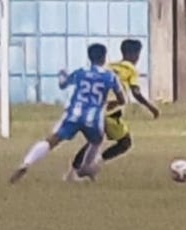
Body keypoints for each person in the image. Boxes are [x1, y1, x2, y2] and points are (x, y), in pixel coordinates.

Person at [10, 43, 122, 184]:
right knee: (97, 140)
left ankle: (26, 163)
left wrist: (62, 75)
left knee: (51, 140)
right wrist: (111, 103)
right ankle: (86, 166)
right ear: (104, 57)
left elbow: (63, 85)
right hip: (93, 117)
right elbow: (122, 99)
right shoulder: (110, 77)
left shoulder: (80, 72)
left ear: (89, 57)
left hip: (73, 113)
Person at [66, 39, 160, 181]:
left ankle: (74, 171)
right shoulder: (130, 70)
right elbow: (136, 92)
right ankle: (92, 166)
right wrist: (151, 107)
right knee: (124, 143)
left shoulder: (109, 66)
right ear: (135, 54)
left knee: (94, 141)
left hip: (94, 109)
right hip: (110, 113)